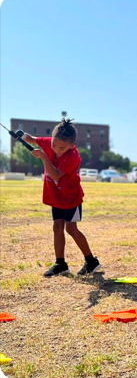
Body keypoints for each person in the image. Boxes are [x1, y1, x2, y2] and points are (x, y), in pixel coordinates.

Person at [22, 118, 101, 277]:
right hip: (56, 197)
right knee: (57, 227)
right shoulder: (50, 143)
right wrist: (22, 135)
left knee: (71, 228)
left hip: (71, 197)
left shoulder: (73, 156)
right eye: (54, 146)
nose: (57, 150)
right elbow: (31, 139)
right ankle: (60, 263)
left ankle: (91, 261)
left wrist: (44, 157)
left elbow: (56, 174)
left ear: (72, 145)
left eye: (62, 148)